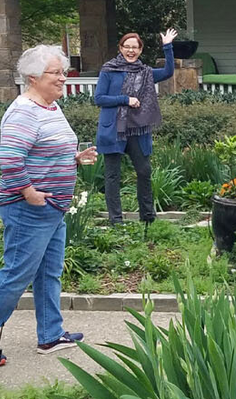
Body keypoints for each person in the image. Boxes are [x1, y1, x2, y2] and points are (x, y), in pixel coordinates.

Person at [0, 45, 99, 366]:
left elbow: (43, 149)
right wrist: (29, 192)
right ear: (32, 77)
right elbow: (9, 158)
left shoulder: (50, 107)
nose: (62, 78)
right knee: (16, 276)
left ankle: (50, 335)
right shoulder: (23, 111)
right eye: (55, 73)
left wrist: (74, 158)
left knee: (49, 273)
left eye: (62, 71)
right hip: (29, 208)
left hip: (53, 207)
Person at [93, 29, 177, 224]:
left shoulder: (145, 73)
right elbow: (99, 98)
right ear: (121, 48)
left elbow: (168, 72)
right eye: (127, 47)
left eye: (135, 47)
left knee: (144, 171)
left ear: (140, 50)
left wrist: (167, 46)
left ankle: (148, 218)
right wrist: (126, 99)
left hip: (137, 130)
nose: (131, 51)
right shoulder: (109, 70)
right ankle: (116, 221)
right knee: (112, 176)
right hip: (113, 128)